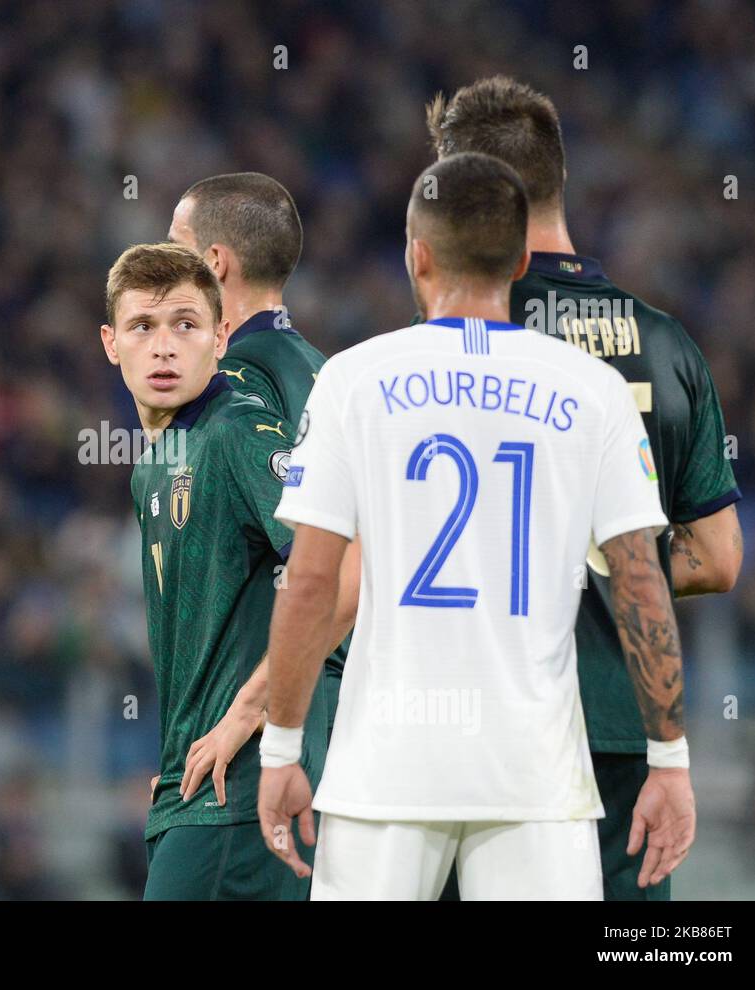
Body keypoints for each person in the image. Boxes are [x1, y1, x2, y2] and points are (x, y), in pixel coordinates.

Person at [257, 153, 692, 900]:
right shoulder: (594, 392)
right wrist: (670, 760)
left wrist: (282, 747)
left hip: (384, 773)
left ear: (416, 256)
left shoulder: (353, 380)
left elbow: (309, 582)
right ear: (522, 258)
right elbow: (639, 581)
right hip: (535, 780)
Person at [426, 75, 742, 900]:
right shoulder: (667, 345)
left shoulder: (451, 345)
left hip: (483, 733)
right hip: (625, 730)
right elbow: (718, 557)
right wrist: (603, 561)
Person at [100, 242, 346, 900]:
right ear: (110, 343)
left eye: (185, 326)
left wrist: (247, 711)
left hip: (239, 798)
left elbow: (345, 571)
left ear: (221, 338)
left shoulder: (238, 433)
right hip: (196, 792)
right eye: (142, 328)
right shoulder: (156, 462)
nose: (163, 347)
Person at [166, 172, 345, 788]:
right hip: (340, 705)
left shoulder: (231, 384)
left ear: (213, 262)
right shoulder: (329, 372)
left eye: (173, 245)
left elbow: (328, 563)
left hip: (270, 724)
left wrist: (243, 707)